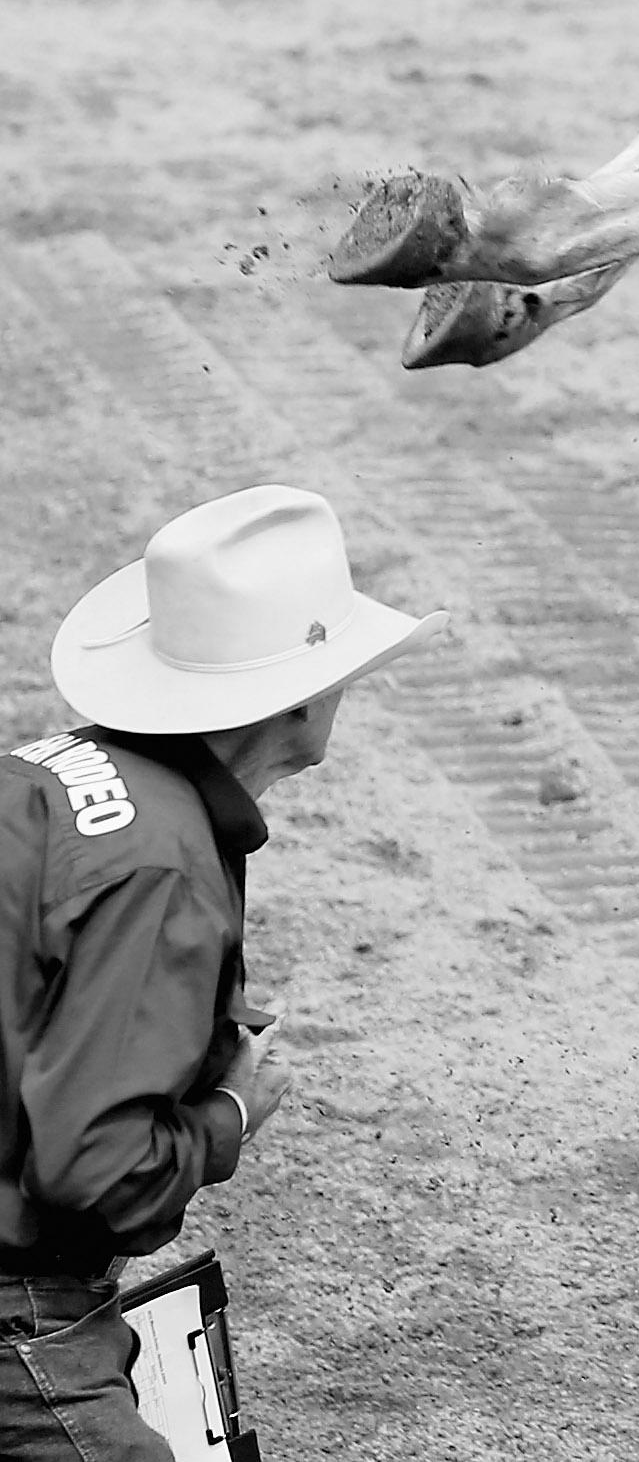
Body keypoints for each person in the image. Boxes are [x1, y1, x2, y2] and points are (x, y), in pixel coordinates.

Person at [2, 486, 444, 1459]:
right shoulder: (161, 863)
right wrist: (227, 1116)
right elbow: (89, 1168)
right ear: (293, 702)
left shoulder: (52, 775)